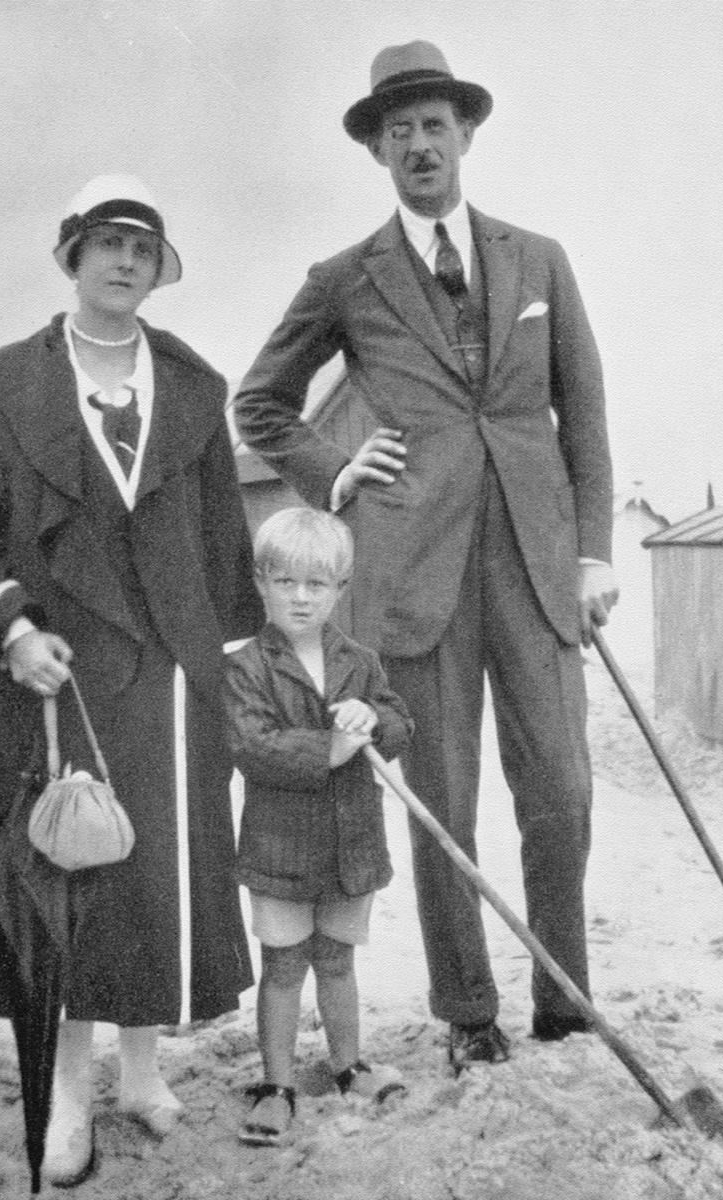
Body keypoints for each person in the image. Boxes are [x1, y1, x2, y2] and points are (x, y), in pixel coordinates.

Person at [233, 42, 619, 1073]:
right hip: (413, 577)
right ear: (378, 150)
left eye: (433, 124)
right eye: (396, 129)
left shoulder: (539, 259)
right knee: (443, 802)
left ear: (466, 134)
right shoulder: (345, 278)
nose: (418, 144)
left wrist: (592, 556)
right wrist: (332, 471)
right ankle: (468, 1012)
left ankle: (566, 996)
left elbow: (581, 412)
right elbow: (259, 401)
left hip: (537, 572)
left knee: (562, 792)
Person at [0, 175, 263, 1185]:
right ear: (73, 258)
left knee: (157, 872)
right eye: (106, 244)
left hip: (169, 675)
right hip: (58, 669)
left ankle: (140, 1074)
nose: (124, 262)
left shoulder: (195, 386)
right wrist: (13, 632)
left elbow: (222, 542)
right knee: (67, 875)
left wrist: (226, 657)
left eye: (143, 248)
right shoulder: (11, 381)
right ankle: (70, 1095)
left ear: (156, 270)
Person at [223, 507, 414, 1145]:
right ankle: (277, 1085)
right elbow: (251, 745)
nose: (301, 598)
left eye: (317, 585)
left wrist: (372, 717)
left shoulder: (358, 660)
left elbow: (397, 723)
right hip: (281, 848)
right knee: (283, 966)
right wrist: (326, 749)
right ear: (260, 581)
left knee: (336, 960)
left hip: (350, 846)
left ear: (341, 588)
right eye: (286, 583)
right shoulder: (248, 665)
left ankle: (347, 1064)